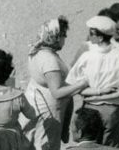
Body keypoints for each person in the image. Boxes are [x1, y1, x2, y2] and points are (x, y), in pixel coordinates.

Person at [66, 16, 119, 147]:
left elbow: (73, 85)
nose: (88, 36)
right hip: (114, 111)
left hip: (89, 111)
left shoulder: (87, 56)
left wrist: (94, 93)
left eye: (91, 33)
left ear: (100, 37)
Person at [23, 16, 88, 150]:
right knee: (46, 144)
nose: (64, 40)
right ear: (55, 37)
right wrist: (83, 84)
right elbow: (57, 92)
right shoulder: (49, 60)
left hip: (37, 103)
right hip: (48, 111)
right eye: (63, 36)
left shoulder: (38, 52)